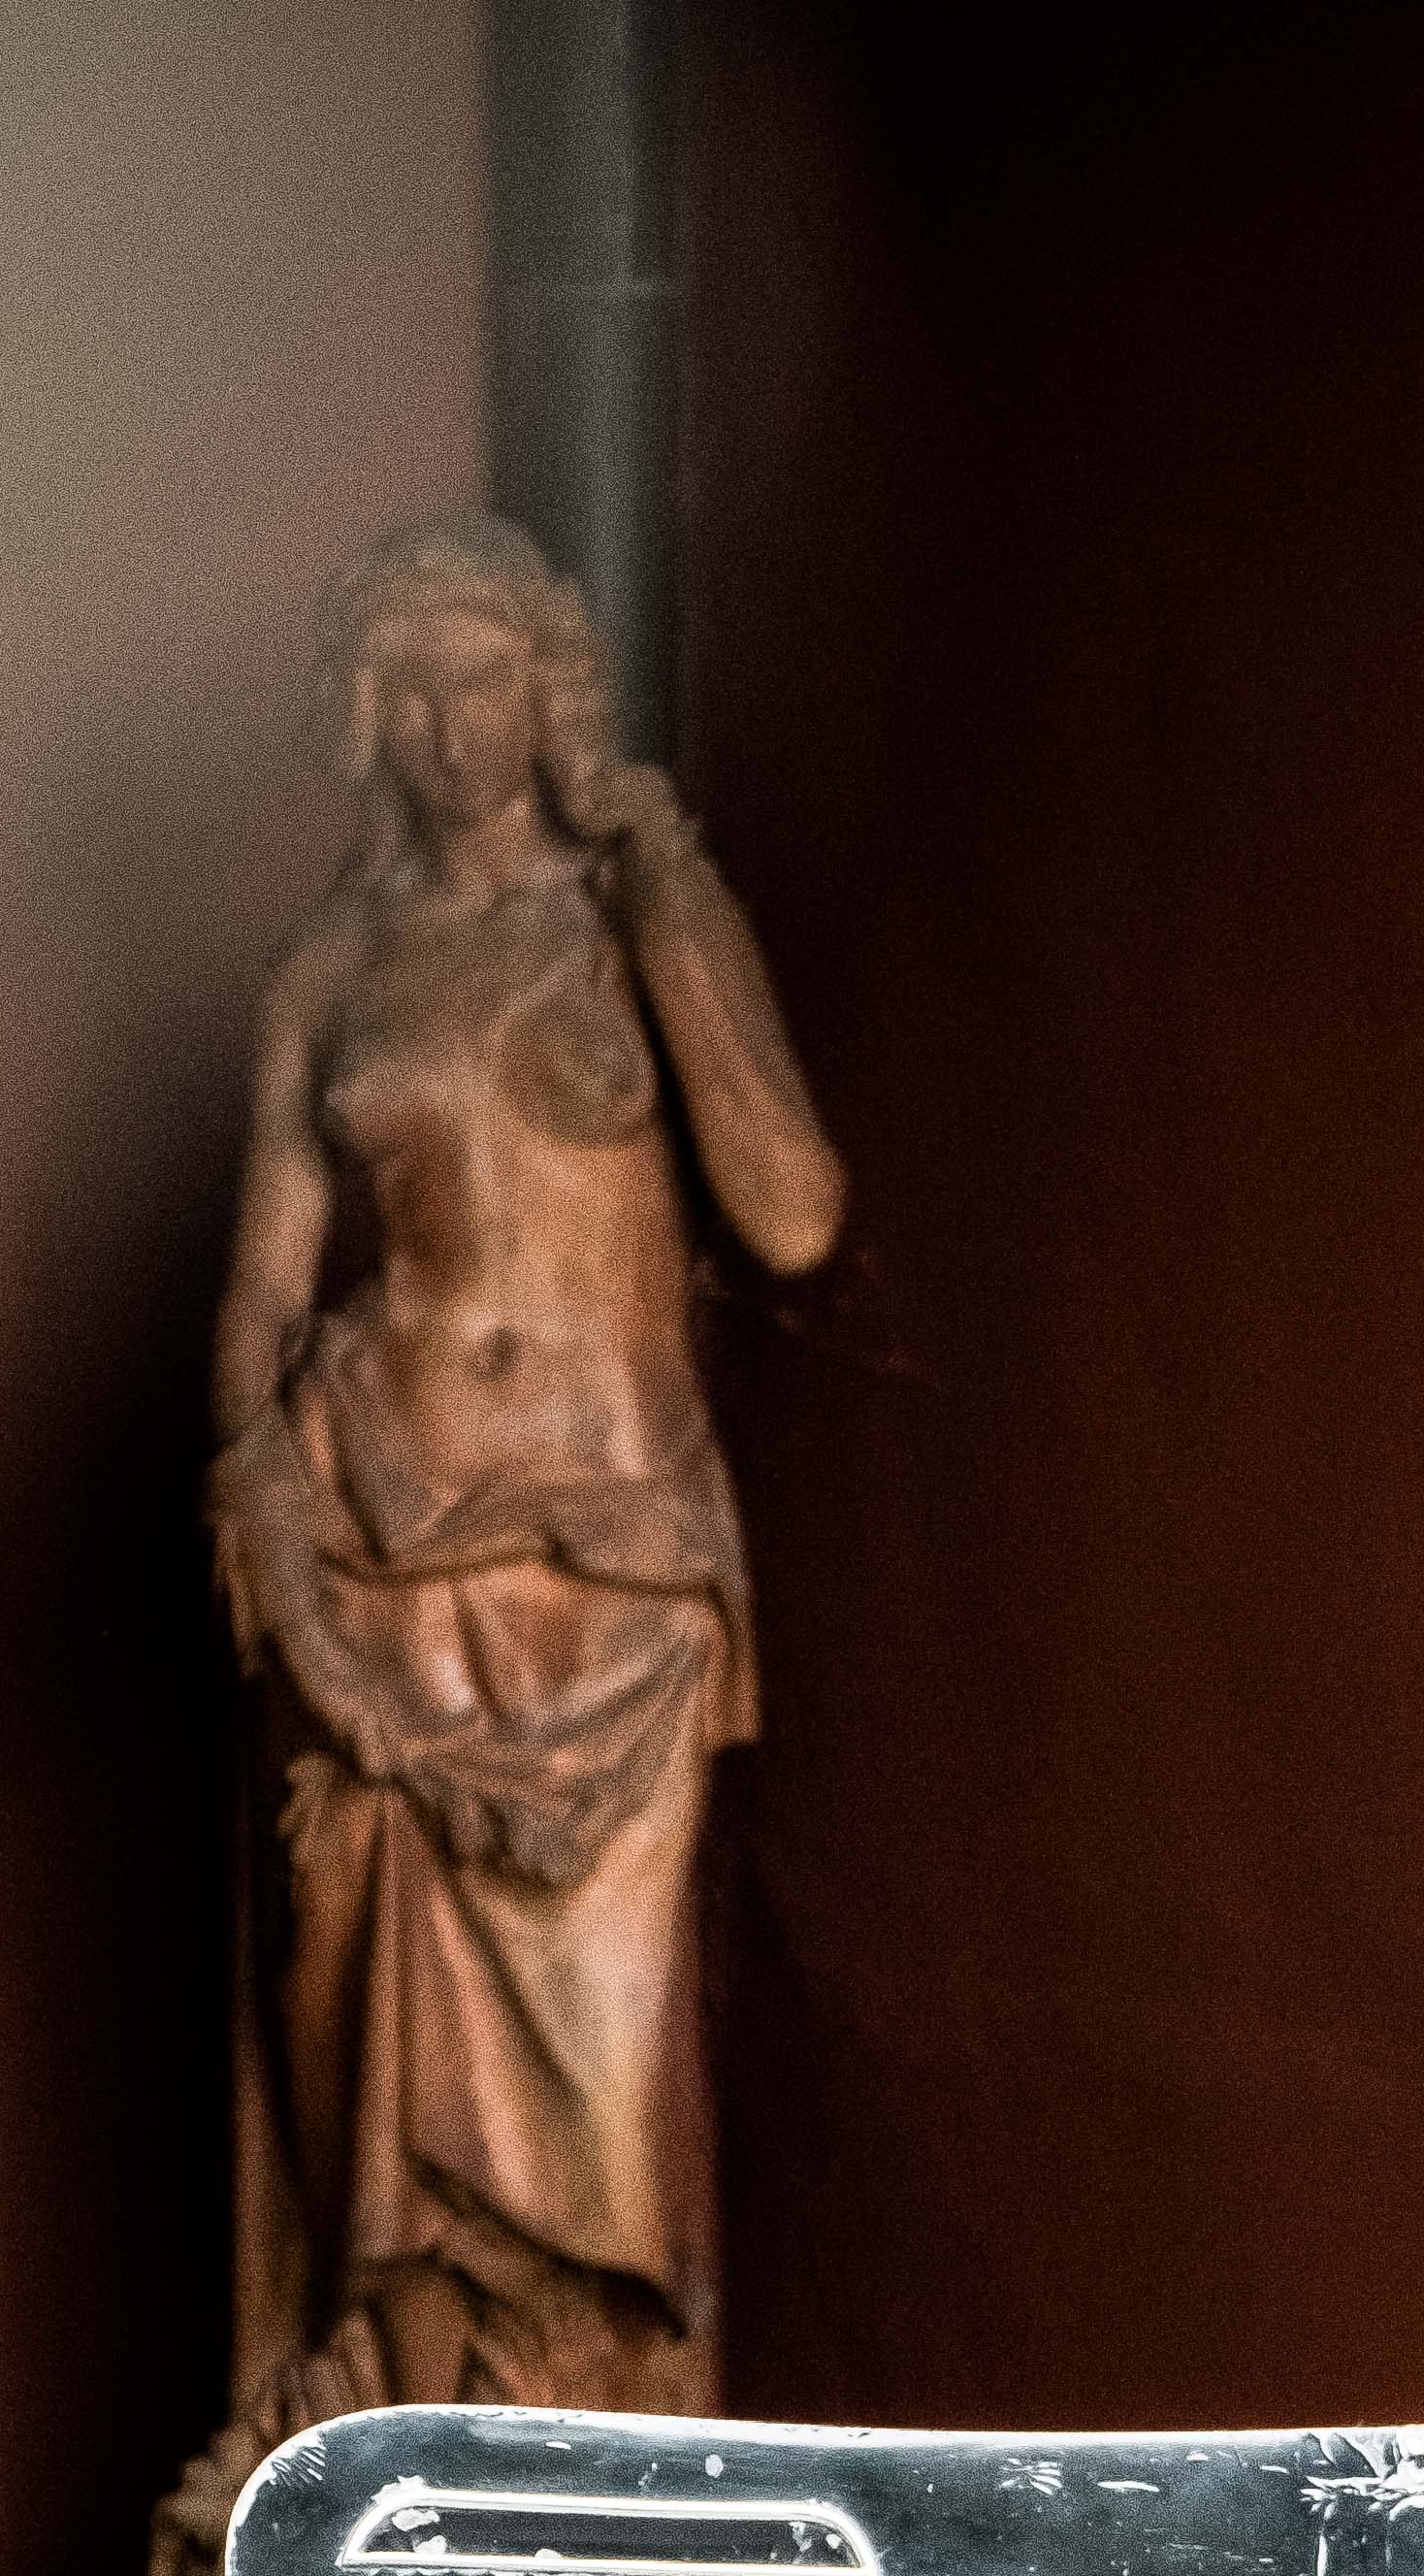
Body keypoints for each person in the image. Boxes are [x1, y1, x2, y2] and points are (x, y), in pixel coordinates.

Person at [206, 509, 843, 2446]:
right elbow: (263, 1285)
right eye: (407, 688)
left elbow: (791, 1213)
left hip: (614, 1561)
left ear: (551, 692)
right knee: (366, 2036)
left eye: (480, 679)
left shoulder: (637, 916)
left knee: (607, 2065)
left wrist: (671, 902)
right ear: (365, 714)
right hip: (387, 1531)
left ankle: (602, 2457)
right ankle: (396, 2455)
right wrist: (255, 1469)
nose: (446, 724)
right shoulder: (331, 965)